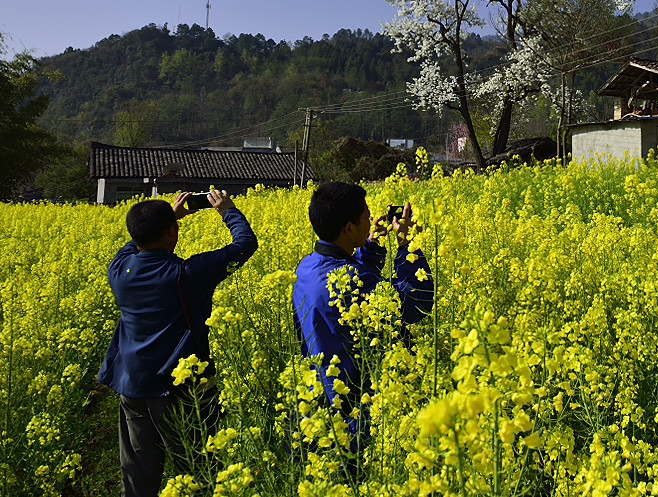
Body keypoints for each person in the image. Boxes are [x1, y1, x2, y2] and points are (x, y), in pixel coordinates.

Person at [99, 189, 258, 497]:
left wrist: (169, 217)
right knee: (198, 466)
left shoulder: (119, 269)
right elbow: (245, 245)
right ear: (173, 232)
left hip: (131, 383)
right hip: (179, 388)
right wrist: (228, 211)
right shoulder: (187, 274)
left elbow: (136, 242)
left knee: (138, 469)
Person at [292, 182, 434, 446]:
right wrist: (408, 245)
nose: (371, 222)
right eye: (366, 219)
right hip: (354, 414)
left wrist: (370, 246)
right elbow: (417, 302)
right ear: (348, 228)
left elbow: (349, 282)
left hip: (317, 402)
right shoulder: (352, 278)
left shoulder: (306, 267)